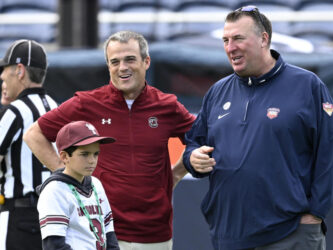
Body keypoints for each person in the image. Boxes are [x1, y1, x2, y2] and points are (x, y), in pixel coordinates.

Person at [183, 6, 333, 250]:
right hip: (230, 234)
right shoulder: (217, 92)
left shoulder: (307, 85)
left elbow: (330, 154)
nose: (230, 47)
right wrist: (192, 159)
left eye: (238, 38)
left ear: (264, 39)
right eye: (226, 40)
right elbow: (194, 144)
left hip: (290, 234)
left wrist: (315, 215)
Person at [24, 30, 195, 250]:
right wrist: (70, 179)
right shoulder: (86, 103)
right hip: (102, 234)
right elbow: (34, 135)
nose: (122, 67)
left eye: (130, 59)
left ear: (146, 61)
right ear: (108, 66)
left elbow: (200, 138)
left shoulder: (167, 106)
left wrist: (178, 172)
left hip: (156, 235)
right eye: (115, 62)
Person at [0, 39, 58, 250]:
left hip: (19, 215)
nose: (1, 76)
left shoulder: (15, 111)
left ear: (20, 70)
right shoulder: (56, 107)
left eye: (5, 70)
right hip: (54, 216)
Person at [37, 120, 120, 250]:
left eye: (95, 154)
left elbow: (109, 233)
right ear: (64, 157)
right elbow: (54, 245)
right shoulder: (54, 190)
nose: (92, 160)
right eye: (84, 154)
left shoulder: (96, 184)